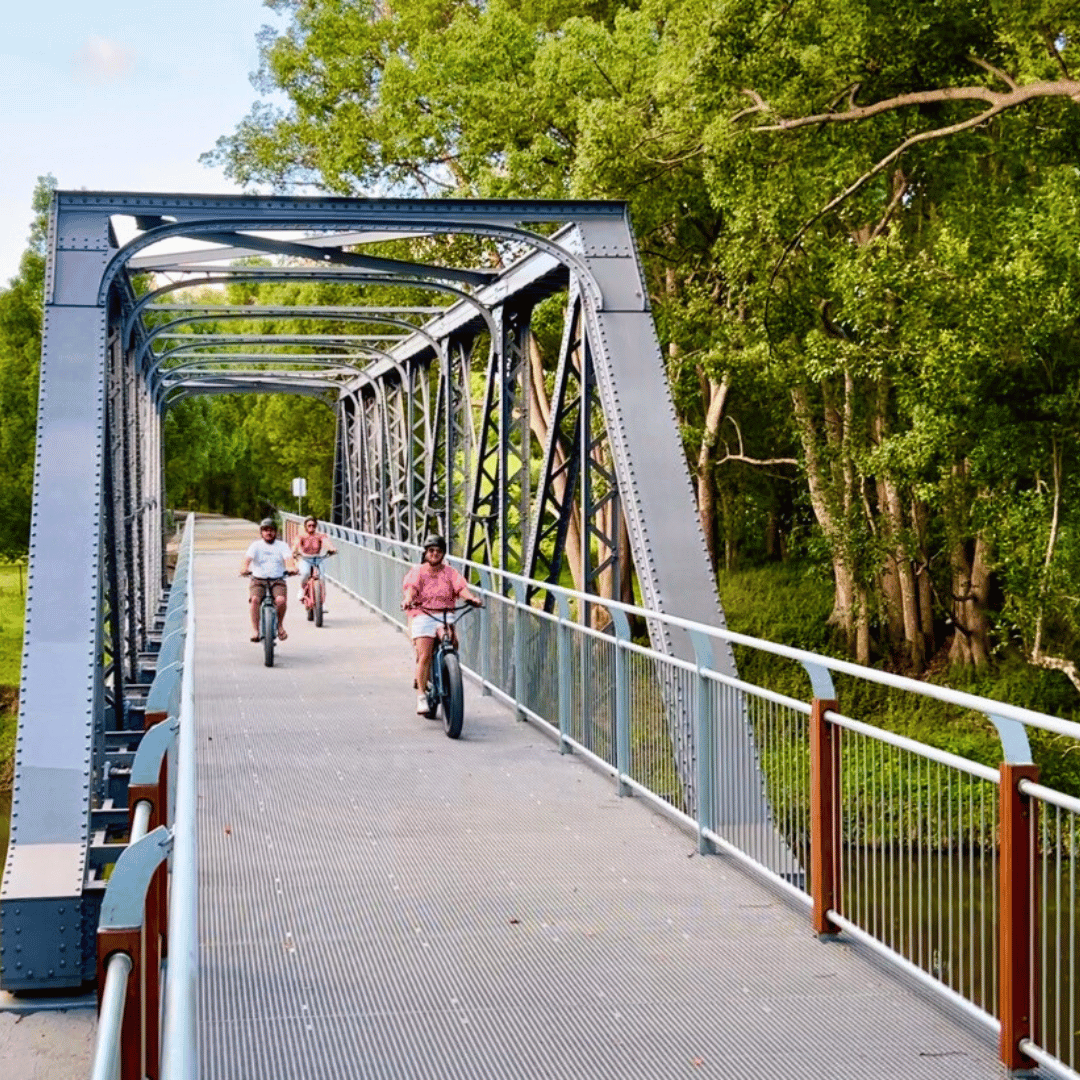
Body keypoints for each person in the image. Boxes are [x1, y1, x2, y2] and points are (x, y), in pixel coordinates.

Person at [401, 534, 481, 714]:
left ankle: (449, 673)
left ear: (443, 554)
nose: (434, 554)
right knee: (425, 654)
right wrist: (408, 600)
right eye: (431, 551)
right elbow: (411, 589)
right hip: (423, 614)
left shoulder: (450, 572)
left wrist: (471, 599)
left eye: (438, 551)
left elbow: (461, 588)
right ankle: (421, 696)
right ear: (426, 553)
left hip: (445, 615)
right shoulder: (418, 571)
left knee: (452, 643)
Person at [240, 517, 297, 642]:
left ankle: (280, 626)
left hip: (277, 580)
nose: (268, 532)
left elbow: (289, 559)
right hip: (258, 580)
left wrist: (292, 568)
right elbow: (247, 560)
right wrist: (244, 568)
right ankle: (255, 630)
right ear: (261, 532)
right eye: (265, 530)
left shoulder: (282, 545)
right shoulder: (256, 545)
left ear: (275, 532)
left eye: (271, 530)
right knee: (254, 600)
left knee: (281, 601)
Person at [292, 516, 337, 601]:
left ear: (316, 526)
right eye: (309, 525)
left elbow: (326, 542)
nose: (311, 527)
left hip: (318, 559)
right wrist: (294, 551)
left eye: (313, 525)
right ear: (305, 526)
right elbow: (296, 544)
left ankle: (322, 602)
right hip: (305, 558)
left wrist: (331, 548)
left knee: (322, 578)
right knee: (305, 574)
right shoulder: (301, 536)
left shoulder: (320, 536)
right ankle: (302, 589)